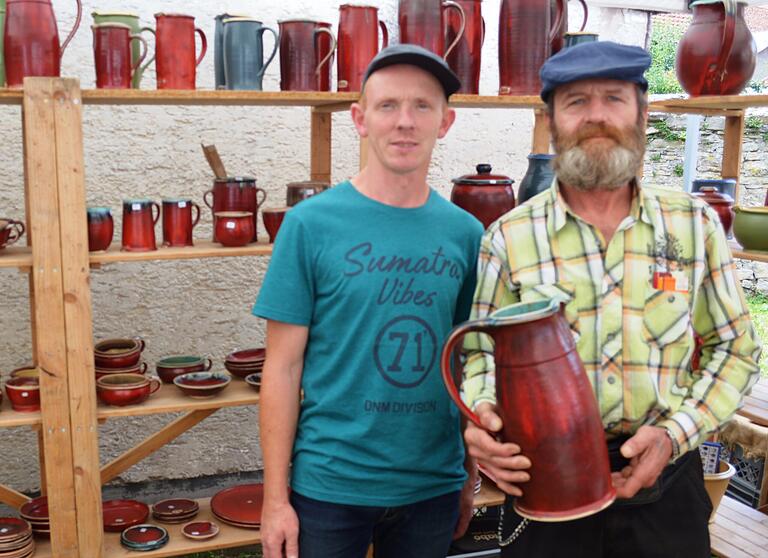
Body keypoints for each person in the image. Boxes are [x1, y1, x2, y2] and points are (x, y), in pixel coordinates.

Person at [461, 41, 762, 557]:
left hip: (665, 491)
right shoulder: (509, 238)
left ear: (642, 113)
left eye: (614, 98)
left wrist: (673, 434)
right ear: (550, 119)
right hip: (545, 489)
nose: (596, 116)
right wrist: (483, 415)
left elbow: (736, 350)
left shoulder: (693, 226)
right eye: (576, 101)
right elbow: (481, 353)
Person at [254, 44, 484, 558]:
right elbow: (282, 368)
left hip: (431, 485)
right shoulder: (309, 226)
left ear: (445, 122)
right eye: (387, 106)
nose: (405, 122)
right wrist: (275, 501)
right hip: (330, 484)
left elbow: (469, 364)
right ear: (359, 119)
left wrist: (469, 477)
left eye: (422, 106)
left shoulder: (466, 234)